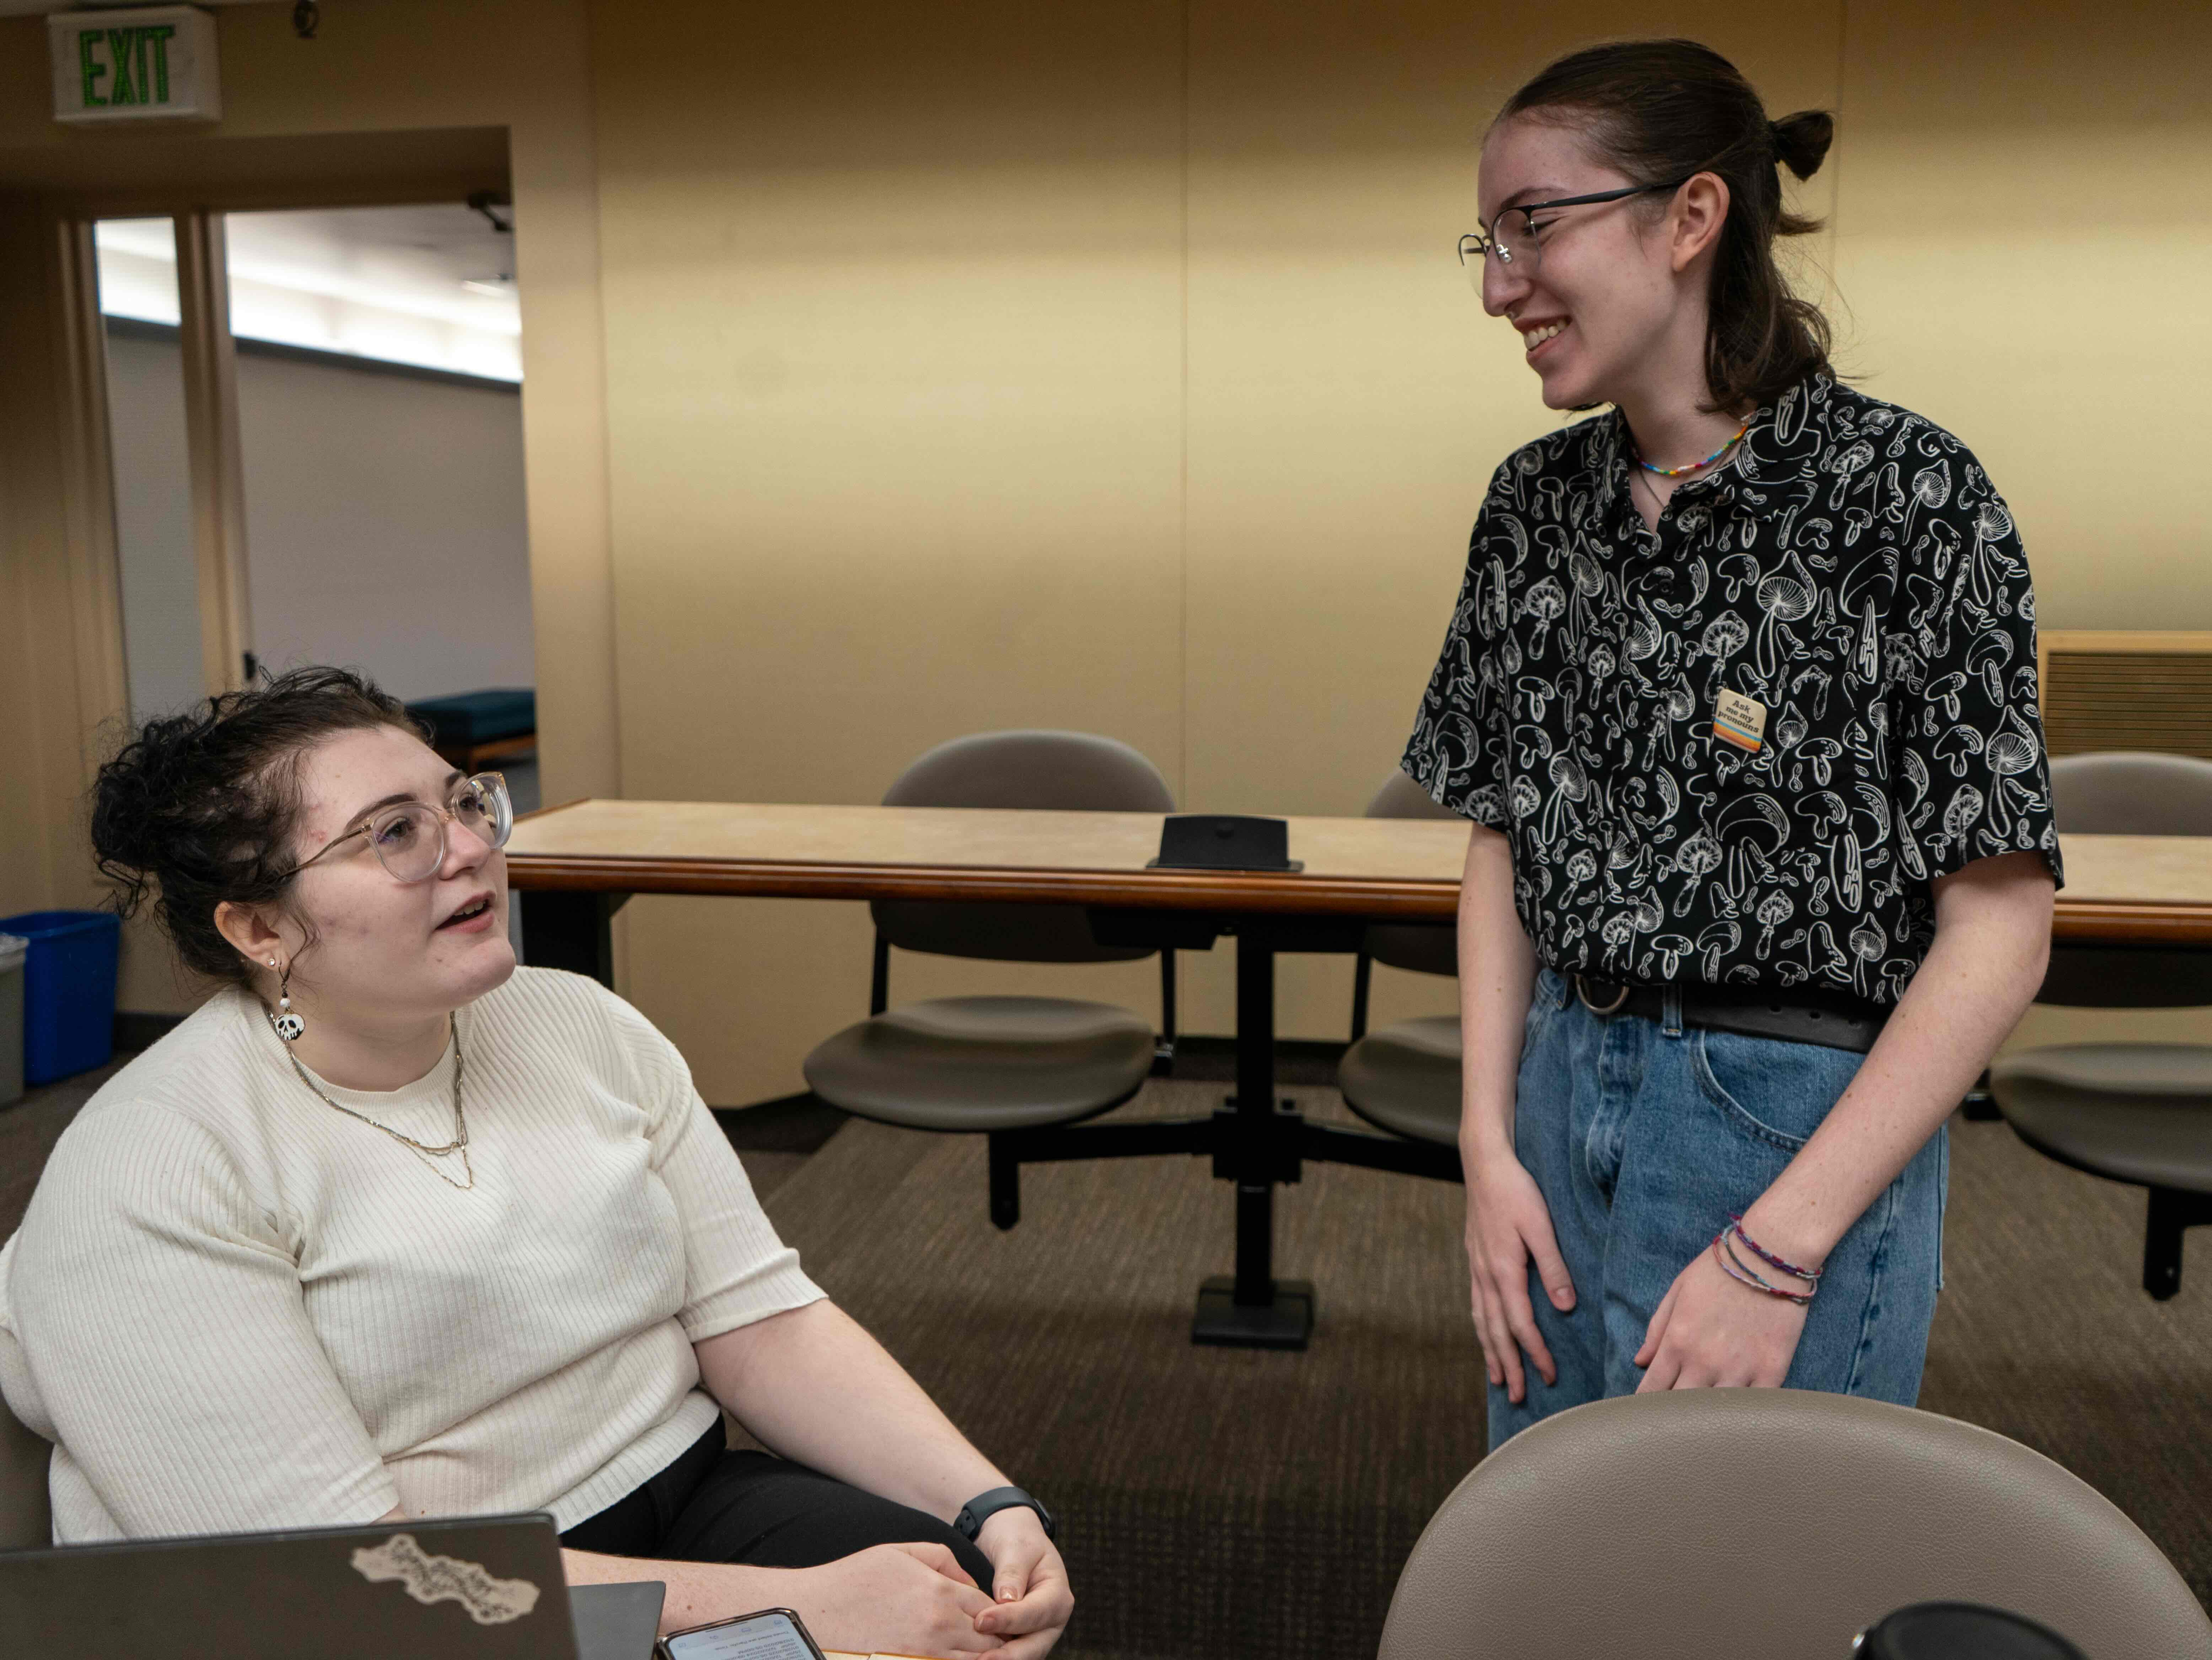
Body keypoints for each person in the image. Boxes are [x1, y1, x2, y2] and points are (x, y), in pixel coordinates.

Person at [0, 667, 1070, 1659]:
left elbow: (759, 1319)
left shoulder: (574, 1023)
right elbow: (343, 1582)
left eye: (462, 804)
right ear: (261, 926)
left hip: (674, 1494)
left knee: (977, 1598)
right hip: (401, 1612)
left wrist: (987, 1502)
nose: (468, 848)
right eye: (393, 835)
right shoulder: (154, 1168)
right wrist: (796, 1606)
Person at [1401, 39, 2060, 1449]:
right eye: (1484, 236)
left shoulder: (1906, 494)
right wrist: (1485, 1145)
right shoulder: (1533, 505)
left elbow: (1999, 925)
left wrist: (1778, 1247)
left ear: (1690, 218)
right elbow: (1502, 837)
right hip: (1555, 1084)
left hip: (1786, 1115)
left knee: (1744, 1576)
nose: (1495, 281)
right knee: (1552, 1553)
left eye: (1533, 224)